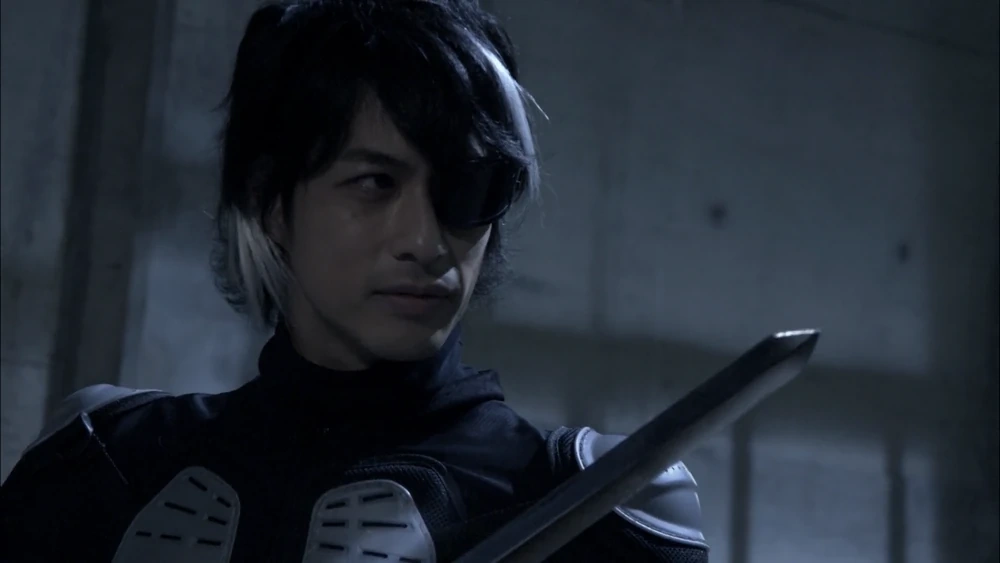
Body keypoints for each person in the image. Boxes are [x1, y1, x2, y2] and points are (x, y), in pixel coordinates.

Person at [0, 1, 708, 561]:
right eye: (374, 182)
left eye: (467, 187)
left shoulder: (593, 503)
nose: (426, 242)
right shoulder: (103, 459)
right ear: (272, 203)